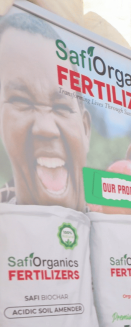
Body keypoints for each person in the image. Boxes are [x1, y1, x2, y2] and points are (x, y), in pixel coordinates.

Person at [0, 13, 90, 211]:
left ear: (85, 128)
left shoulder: (115, 221)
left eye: (61, 107)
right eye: (22, 101)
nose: (46, 128)